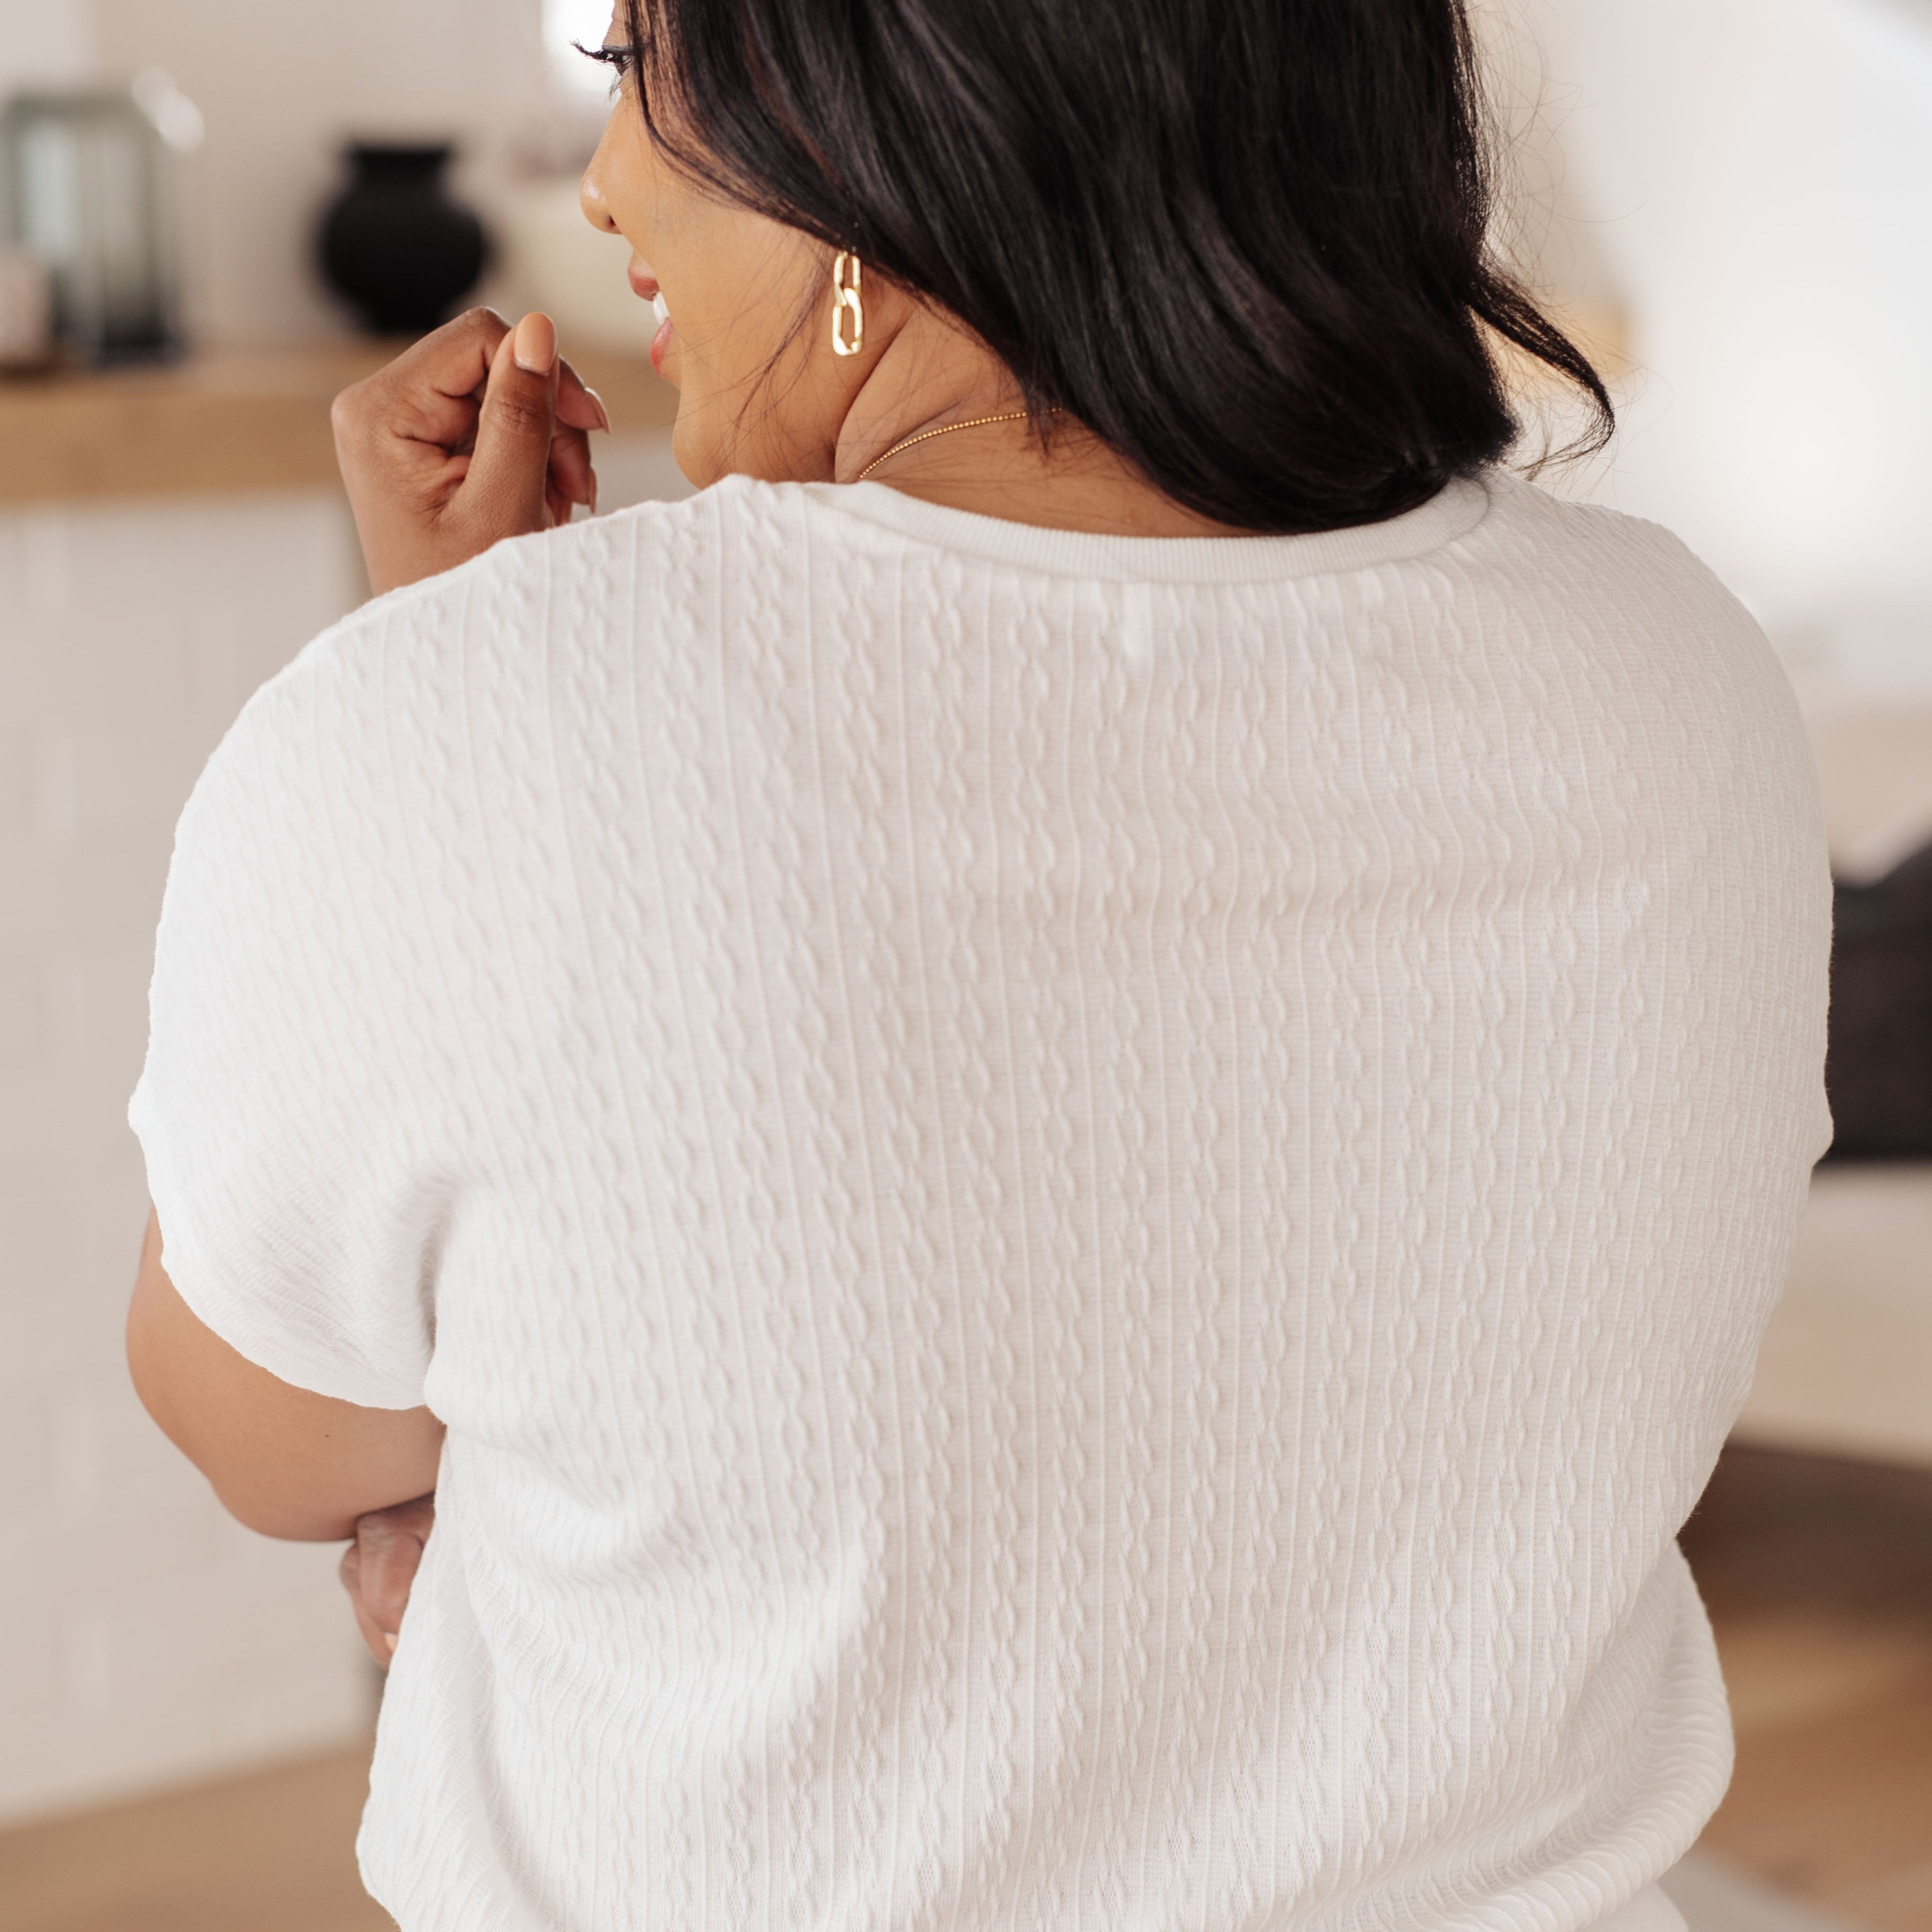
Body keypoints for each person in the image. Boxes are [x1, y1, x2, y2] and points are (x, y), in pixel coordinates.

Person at [122, 1, 1833, 1928]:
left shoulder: (454, 729)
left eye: (635, 68)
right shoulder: (1681, 681)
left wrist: (452, 681)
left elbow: (274, 1430)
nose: (602, 180)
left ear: (869, 128)